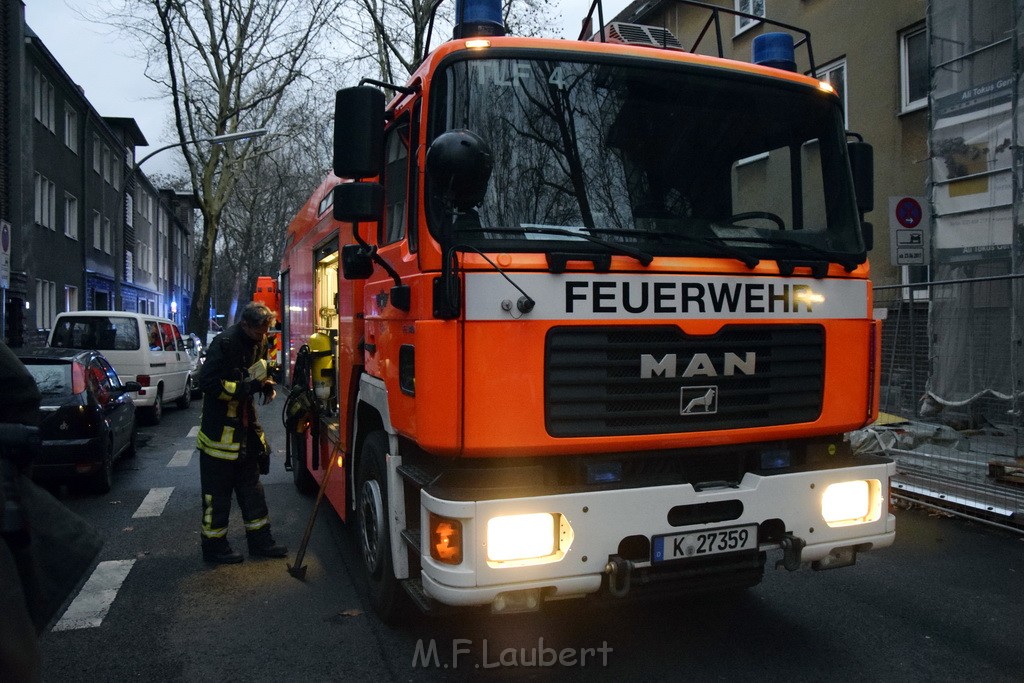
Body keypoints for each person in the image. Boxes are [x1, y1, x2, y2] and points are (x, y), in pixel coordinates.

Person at [196, 302, 286, 564]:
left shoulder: (258, 341)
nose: (263, 336)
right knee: (218, 497)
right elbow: (208, 383)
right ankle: (214, 548)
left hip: (246, 432)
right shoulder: (224, 344)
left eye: (266, 331)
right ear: (245, 325)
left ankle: (261, 542)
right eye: (259, 331)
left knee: (252, 491)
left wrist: (266, 385)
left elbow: (259, 370)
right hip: (219, 438)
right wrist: (244, 389)